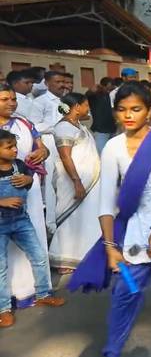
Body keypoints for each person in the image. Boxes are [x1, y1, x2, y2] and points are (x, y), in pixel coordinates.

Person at [68, 82, 151, 355]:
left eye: (136, 109)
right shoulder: (113, 148)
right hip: (138, 223)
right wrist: (109, 247)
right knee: (126, 288)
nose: (128, 115)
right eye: (121, 109)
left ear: (148, 112)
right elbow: (106, 199)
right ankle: (113, 348)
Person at [0, 129, 65, 328]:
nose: (14, 150)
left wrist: (28, 180)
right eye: (8, 147)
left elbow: (30, 180)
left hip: (21, 221)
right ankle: (3, 309)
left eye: (14, 146)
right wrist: (2, 201)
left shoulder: (19, 165)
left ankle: (43, 293)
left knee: (38, 255)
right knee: (0, 267)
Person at [49, 93, 102, 273]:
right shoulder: (64, 128)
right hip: (73, 181)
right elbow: (65, 157)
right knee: (69, 218)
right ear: (77, 106)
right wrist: (77, 182)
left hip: (89, 181)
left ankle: (83, 256)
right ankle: (63, 258)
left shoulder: (78, 126)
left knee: (85, 218)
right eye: (86, 105)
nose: (88, 109)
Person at [30, 70, 66, 232]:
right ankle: (50, 222)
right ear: (47, 83)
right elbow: (34, 126)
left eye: (62, 82)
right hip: (49, 142)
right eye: (57, 82)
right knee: (51, 181)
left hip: (64, 142)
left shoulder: (63, 100)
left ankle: (63, 213)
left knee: (64, 179)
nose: (61, 85)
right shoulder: (40, 102)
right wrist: (53, 128)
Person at [87, 77, 116, 153]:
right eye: (109, 87)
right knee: (101, 154)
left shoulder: (108, 95)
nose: (111, 89)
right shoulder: (95, 96)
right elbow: (88, 95)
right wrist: (91, 90)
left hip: (112, 129)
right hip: (101, 130)